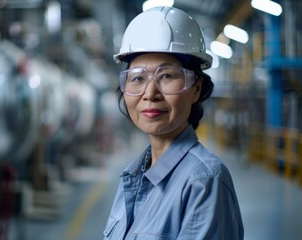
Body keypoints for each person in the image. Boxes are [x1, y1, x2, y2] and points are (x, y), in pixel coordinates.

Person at [103, 6, 244, 240]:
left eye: (167, 76)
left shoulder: (203, 182)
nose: (150, 93)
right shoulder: (134, 176)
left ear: (196, 88)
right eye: (137, 77)